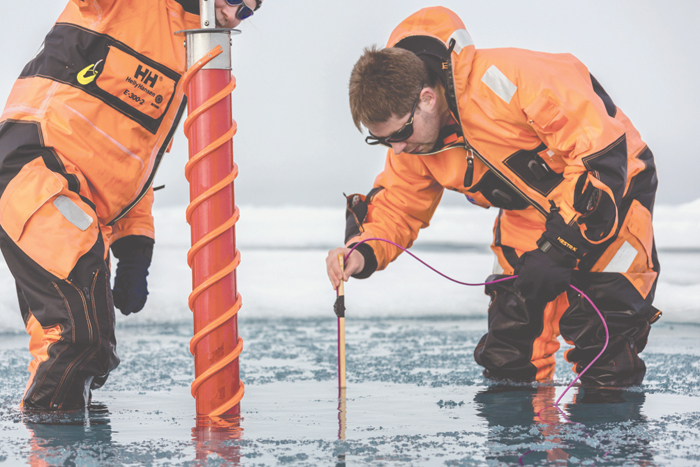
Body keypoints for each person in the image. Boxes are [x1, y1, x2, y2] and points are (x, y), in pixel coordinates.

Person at [326, 6, 661, 388]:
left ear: (426, 99)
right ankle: (528, 445)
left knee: (606, 356)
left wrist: (561, 246)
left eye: (399, 134)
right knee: (508, 357)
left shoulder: (517, 79)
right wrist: (361, 250)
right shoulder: (416, 146)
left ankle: (610, 436)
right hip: (526, 219)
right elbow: (398, 205)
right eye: (383, 140)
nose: (397, 149)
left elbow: (598, 156)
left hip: (609, 197)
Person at [0, 0, 261, 411]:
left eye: (248, 12)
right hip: (37, 170)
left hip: (87, 213)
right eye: (233, 2)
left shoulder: (189, 58)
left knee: (94, 352)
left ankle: (57, 446)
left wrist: (135, 252)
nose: (233, 16)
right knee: (78, 339)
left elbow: (135, 165)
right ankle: (51, 438)